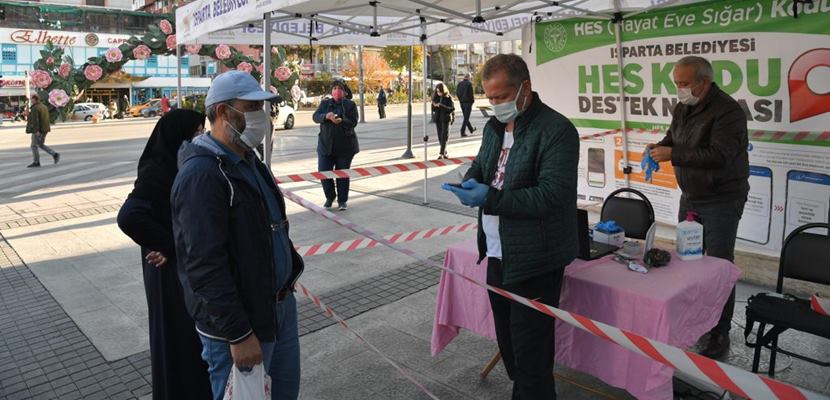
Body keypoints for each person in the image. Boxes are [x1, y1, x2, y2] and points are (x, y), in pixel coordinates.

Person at [443, 54, 578, 399]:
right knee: (510, 345)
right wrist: (468, 183)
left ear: (525, 89)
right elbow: (482, 164)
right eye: (489, 98)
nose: (495, 105)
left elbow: (552, 195)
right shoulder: (494, 127)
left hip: (537, 256)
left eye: (501, 97)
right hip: (498, 252)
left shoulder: (557, 130)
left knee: (532, 354)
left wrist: (491, 198)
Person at [171, 70, 305, 400]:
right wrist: (239, 333)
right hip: (242, 323)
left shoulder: (248, 160)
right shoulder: (202, 174)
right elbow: (203, 265)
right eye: (250, 108)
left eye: (263, 109)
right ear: (222, 113)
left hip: (277, 308)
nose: (260, 117)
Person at [647, 55, 749, 360]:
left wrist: (672, 153)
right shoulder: (684, 106)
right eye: (676, 83)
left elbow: (718, 155)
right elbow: (673, 138)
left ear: (703, 82)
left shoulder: (728, 111)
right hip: (690, 197)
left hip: (721, 199)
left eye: (684, 83)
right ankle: (694, 320)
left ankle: (720, 332)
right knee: (687, 261)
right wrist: (657, 148)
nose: (679, 89)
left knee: (719, 267)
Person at [117, 109, 211, 400]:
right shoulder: (159, 171)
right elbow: (130, 217)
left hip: (176, 261)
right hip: (169, 270)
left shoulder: (175, 164)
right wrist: (171, 244)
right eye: (195, 131)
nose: (199, 137)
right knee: (177, 338)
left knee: (187, 340)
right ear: (177, 134)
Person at [313, 79, 359, 211]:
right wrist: (326, 116)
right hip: (325, 146)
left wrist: (342, 120)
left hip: (345, 147)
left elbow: (353, 122)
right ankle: (330, 196)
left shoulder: (350, 105)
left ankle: (342, 200)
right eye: (334, 89)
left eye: (339, 89)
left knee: (342, 174)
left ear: (344, 92)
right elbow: (315, 116)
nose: (336, 91)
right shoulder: (325, 103)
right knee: (324, 172)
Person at [25, 94, 59, 168]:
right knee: (40, 144)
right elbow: (28, 114)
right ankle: (54, 154)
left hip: (38, 130)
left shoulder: (35, 108)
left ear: (35, 99)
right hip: (45, 129)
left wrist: (36, 131)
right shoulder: (43, 106)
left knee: (34, 146)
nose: (31, 101)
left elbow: (35, 120)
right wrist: (27, 104)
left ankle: (36, 162)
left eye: (32, 99)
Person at [432, 83, 455, 159]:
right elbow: (433, 109)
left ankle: (441, 153)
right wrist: (434, 105)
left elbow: (452, 109)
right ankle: (445, 153)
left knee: (444, 136)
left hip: (446, 119)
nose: (439, 93)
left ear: (443, 90)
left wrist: (441, 106)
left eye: (440, 91)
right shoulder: (436, 97)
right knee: (440, 137)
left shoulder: (448, 98)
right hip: (438, 119)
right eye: (437, 91)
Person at [456, 73, 476, 137]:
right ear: (469, 77)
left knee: (466, 117)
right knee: (466, 118)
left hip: (462, 103)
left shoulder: (459, 84)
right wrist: (472, 101)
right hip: (468, 103)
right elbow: (471, 94)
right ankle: (462, 131)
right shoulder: (469, 84)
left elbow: (457, 93)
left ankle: (471, 129)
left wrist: (460, 100)